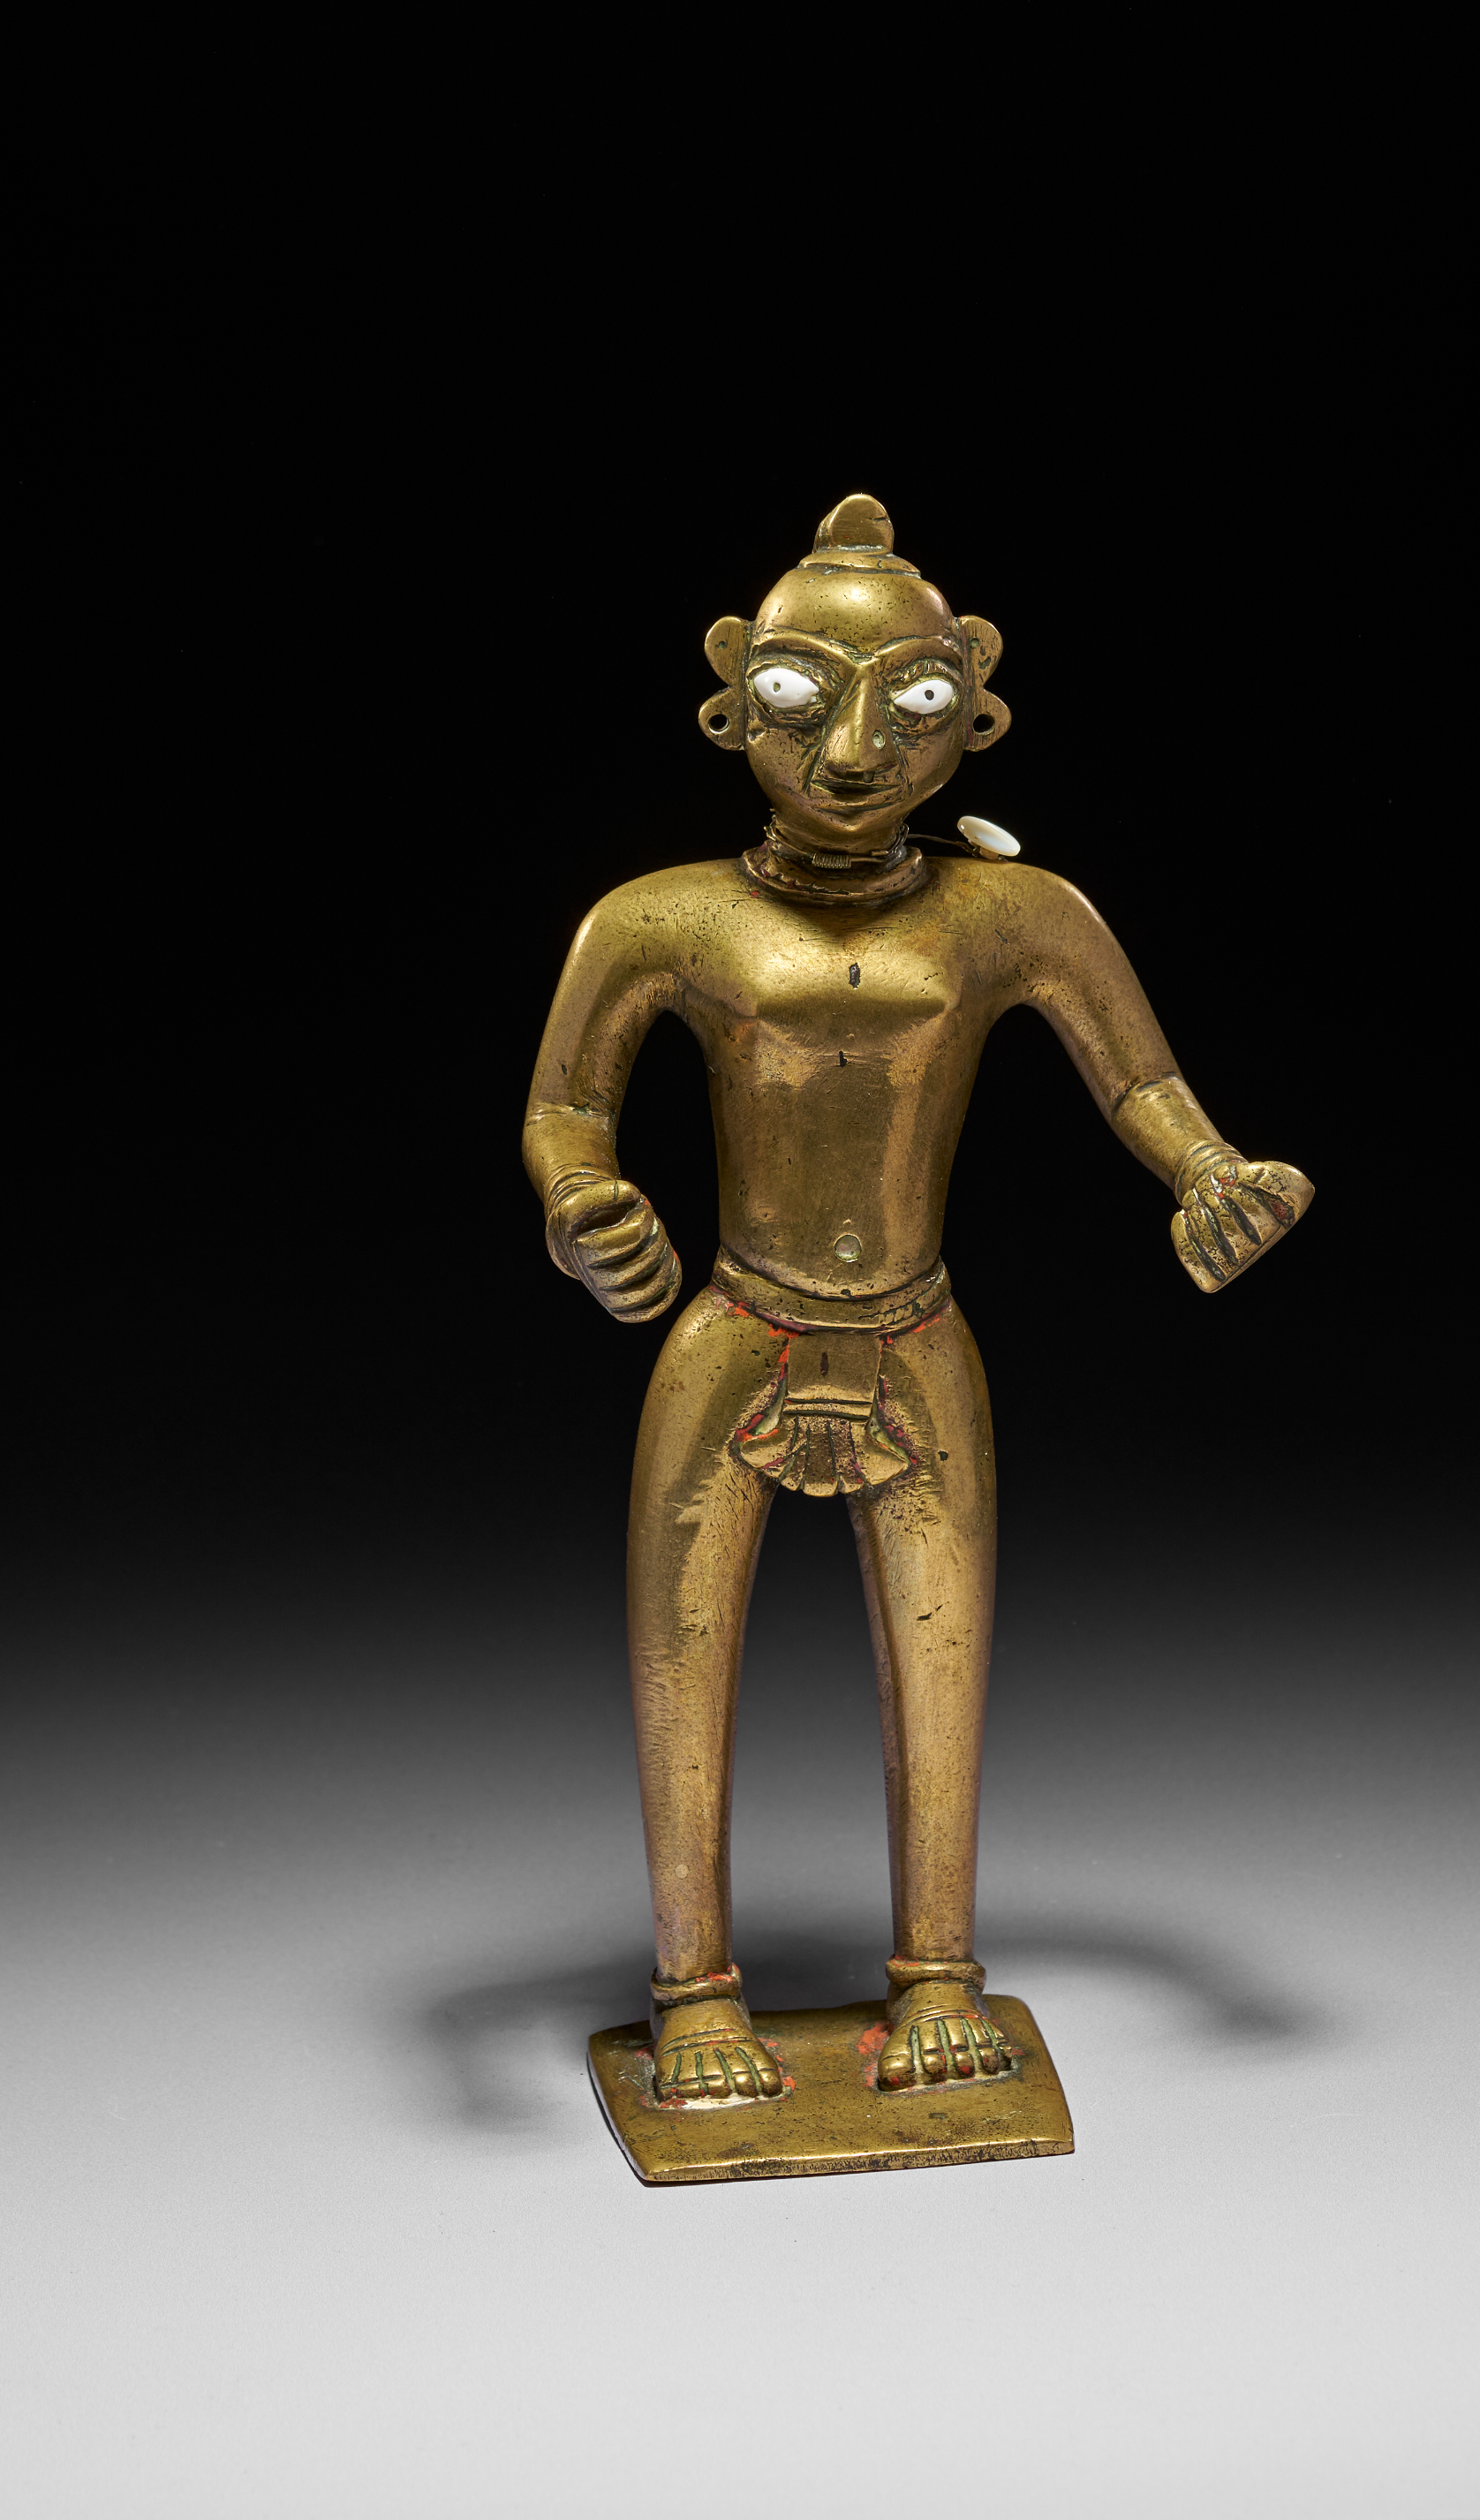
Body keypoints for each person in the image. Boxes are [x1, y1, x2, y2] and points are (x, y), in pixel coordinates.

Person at [523, 496, 1312, 2104]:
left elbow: (1140, 1082)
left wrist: (1210, 1172)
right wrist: (580, 1212)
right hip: (732, 1336)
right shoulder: (659, 920)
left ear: (979, 715)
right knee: (683, 1663)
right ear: (730, 702)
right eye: (804, 697)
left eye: (917, 702)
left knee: (942, 1669)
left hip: (915, 1338)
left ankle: (939, 1975)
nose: (855, 750)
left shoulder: (1016, 916)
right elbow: (565, 1111)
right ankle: (694, 1991)